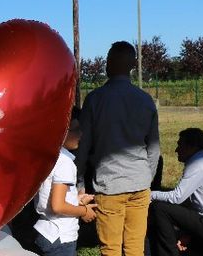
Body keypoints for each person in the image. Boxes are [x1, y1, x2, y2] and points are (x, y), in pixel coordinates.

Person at [76, 41, 160, 256]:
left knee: (110, 249)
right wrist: (145, 177)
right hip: (140, 183)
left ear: (109, 63)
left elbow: (83, 144)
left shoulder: (95, 99)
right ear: (132, 65)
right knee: (135, 248)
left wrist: (79, 182)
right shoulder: (145, 100)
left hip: (110, 184)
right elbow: (154, 149)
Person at [34, 107, 98, 256]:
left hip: (47, 231)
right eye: (75, 130)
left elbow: (50, 196)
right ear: (60, 131)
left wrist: (76, 199)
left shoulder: (49, 158)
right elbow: (58, 206)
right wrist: (84, 211)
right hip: (60, 236)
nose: (80, 134)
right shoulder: (65, 162)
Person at [149, 128, 203, 256]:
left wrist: (148, 194)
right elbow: (188, 203)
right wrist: (187, 235)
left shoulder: (198, 164)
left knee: (159, 208)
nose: (176, 150)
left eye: (179, 145)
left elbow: (176, 197)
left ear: (192, 147)